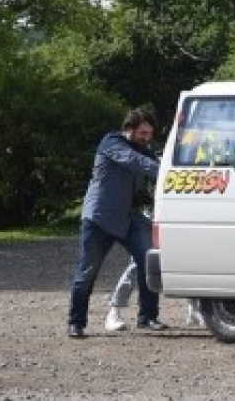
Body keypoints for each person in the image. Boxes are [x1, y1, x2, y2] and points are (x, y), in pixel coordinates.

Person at [66, 109, 166, 339]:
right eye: (142, 133)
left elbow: (145, 169)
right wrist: (165, 171)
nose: (146, 138)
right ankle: (76, 322)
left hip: (129, 218)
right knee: (87, 271)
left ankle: (148, 317)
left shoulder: (145, 150)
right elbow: (134, 162)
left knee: (148, 260)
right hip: (100, 217)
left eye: (149, 134)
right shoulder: (112, 142)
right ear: (129, 129)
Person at [104, 263, 205, 331]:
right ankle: (114, 312)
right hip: (152, 232)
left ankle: (195, 310)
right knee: (139, 264)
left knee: (187, 262)